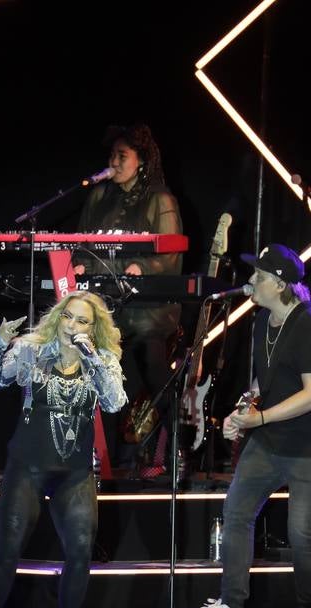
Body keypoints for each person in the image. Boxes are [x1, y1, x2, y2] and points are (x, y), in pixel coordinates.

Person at [181, 244, 311, 608]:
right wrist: (243, 413)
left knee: (301, 530)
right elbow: (262, 385)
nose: (250, 281)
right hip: (271, 437)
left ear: (278, 283)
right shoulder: (260, 323)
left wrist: (258, 419)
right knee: (236, 511)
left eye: (257, 276)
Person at [0, 291, 127, 608]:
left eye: (82, 321)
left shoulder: (102, 360)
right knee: (8, 548)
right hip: (28, 466)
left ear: (94, 327)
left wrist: (93, 360)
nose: (72, 326)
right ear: (58, 318)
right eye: (68, 317)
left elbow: (116, 403)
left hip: (74, 472)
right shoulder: (31, 350)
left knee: (82, 550)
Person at [74, 122, 184, 476]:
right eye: (112, 156)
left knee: (153, 373)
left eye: (123, 156)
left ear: (142, 161)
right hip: (107, 309)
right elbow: (83, 244)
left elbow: (170, 254)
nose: (115, 162)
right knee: (94, 375)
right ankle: (100, 460)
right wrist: (77, 265)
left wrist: (142, 265)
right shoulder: (98, 197)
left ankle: (175, 449)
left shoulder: (160, 198)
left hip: (148, 312)